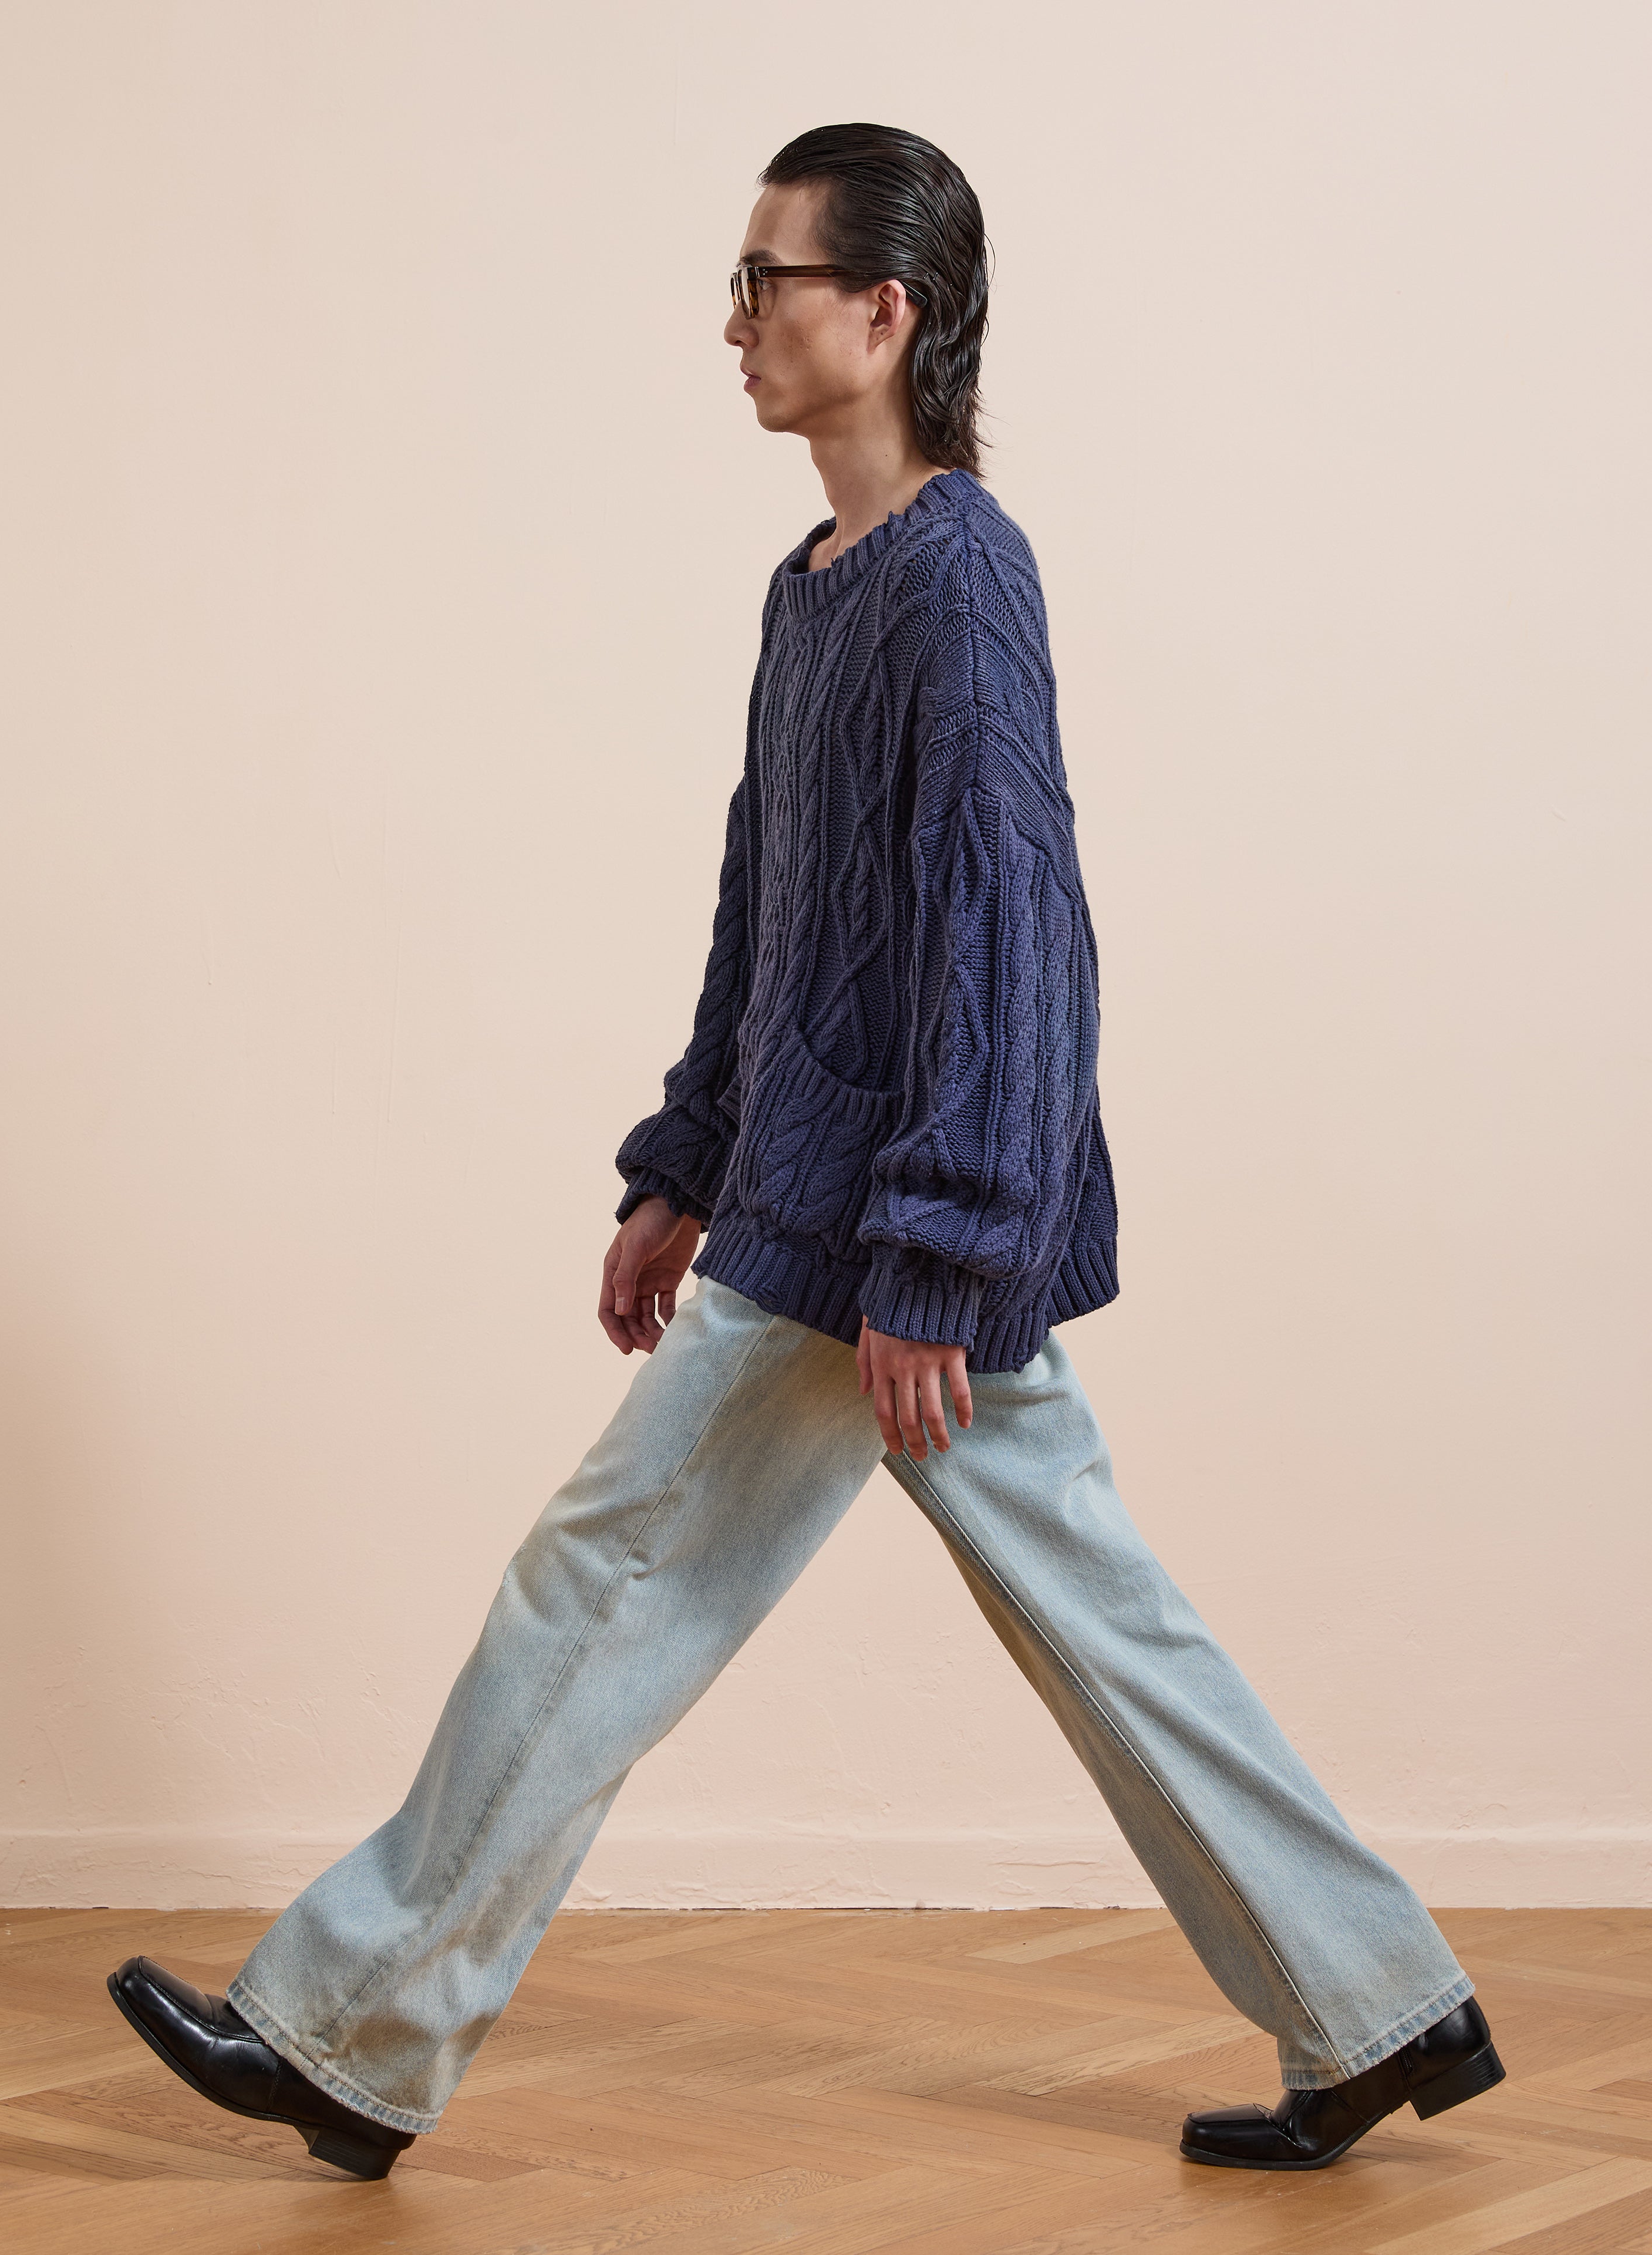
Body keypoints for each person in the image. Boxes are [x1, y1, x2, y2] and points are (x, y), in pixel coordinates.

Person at [107, 122, 1504, 2183]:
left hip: (877, 1229)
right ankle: (1378, 1999)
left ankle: (352, 2026)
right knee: (1097, 1613)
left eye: (772, 280)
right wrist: (683, 1156)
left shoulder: (961, 575)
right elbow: (772, 905)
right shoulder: (820, 586)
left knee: (599, 1579)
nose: (737, 319)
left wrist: (934, 1248)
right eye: (738, 278)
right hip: (819, 1197)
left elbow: (1012, 916)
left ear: (888, 313)